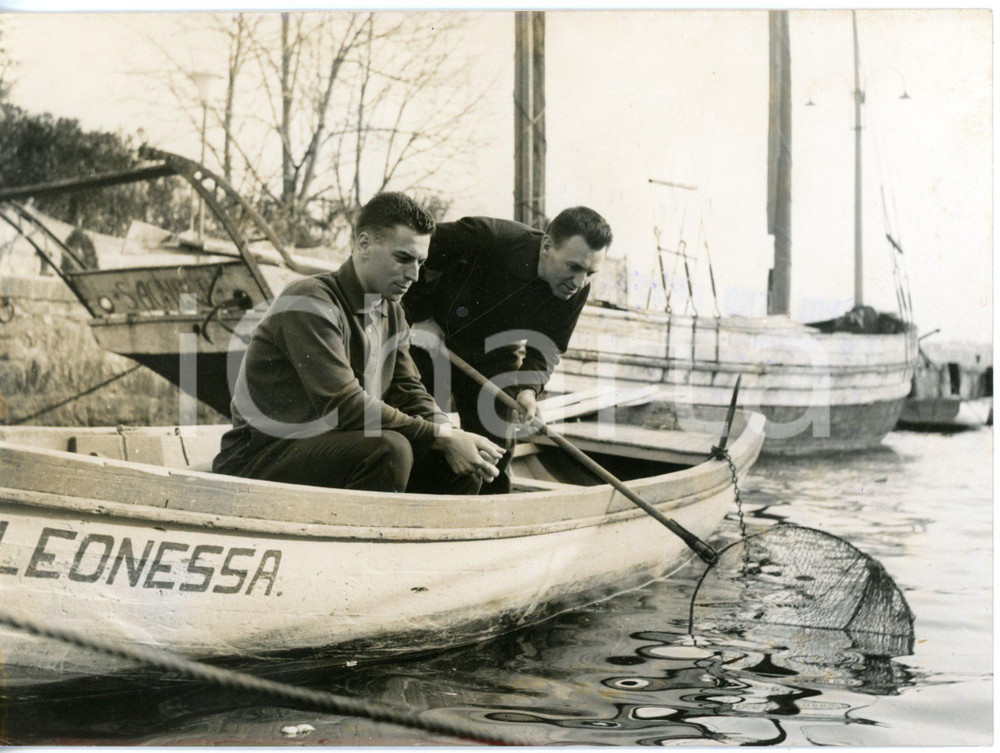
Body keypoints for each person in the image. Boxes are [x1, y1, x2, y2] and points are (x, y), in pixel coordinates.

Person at [212, 192, 504, 494]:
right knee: (390, 450)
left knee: (464, 465)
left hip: (334, 446)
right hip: (260, 456)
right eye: (403, 258)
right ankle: (363, 539)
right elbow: (344, 406)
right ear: (364, 244)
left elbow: (408, 390)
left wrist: (450, 434)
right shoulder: (309, 301)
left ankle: (407, 537)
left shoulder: (391, 310)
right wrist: (439, 437)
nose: (414, 275)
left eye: (420, 262)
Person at [402, 207, 613, 494]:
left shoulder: (576, 288)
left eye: (590, 273)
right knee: (420, 427)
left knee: (497, 447)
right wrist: (420, 313)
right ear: (548, 247)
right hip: (431, 338)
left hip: (496, 354)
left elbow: (548, 346)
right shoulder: (488, 237)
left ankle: (490, 518)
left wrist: (528, 389)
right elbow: (414, 247)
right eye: (573, 267)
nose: (579, 283)